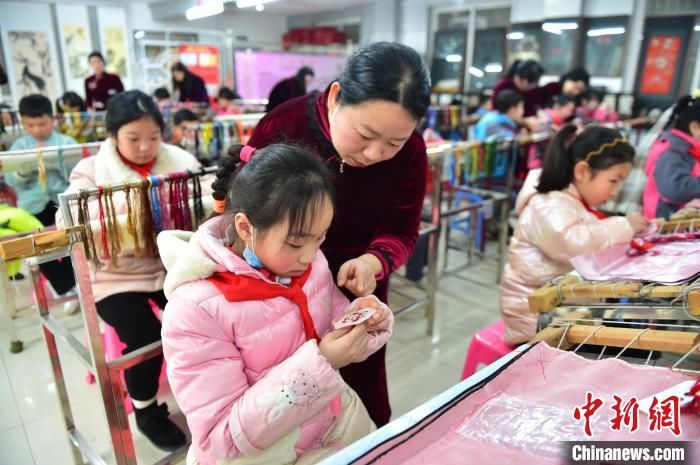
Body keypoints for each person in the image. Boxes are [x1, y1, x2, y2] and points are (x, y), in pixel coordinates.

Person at [159, 144, 394, 465]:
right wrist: (323, 362)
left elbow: (332, 320)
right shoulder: (195, 310)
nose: (310, 254)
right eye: (296, 242)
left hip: (334, 427)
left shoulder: (308, 264)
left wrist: (364, 321)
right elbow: (220, 440)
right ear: (245, 228)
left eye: (320, 238)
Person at [244, 41, 430, 427]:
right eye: (365, 134)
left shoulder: (411, 153)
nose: (375, 153)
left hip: (356, 283)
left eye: (392, 143)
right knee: (287, 394)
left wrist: (372, 261)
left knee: (363, 390)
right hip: (278, 283)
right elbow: (246, 210)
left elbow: (401, 230)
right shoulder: (284, 125)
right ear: (335, 97)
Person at [57, 90, 203, 451]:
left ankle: (205, 395)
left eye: (153, 137)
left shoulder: (181, 161)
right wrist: (130, 216)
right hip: (114, 277)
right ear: (113, 136)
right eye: (133, 139)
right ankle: (145, 408)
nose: (144, 147)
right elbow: (66, 219)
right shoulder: (91, 171)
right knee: (144, 336)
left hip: (169, 266)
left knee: (204, 317)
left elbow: (206, 200)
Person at [500, 125, 648, 345]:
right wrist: (624, 225)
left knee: (636, 335)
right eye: (614, 181)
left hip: (560, 309)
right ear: (581, 171)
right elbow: (574, 243)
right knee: (636, 345)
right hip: (535, 321)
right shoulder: (547, 204)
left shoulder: (569, 200)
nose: (615, 192)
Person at [6, 94, 78, 300]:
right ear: (23, 123)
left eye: (42, 124)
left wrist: (53, 161)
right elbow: (11, 181)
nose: (37, 129)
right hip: (32, 206)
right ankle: (63, 287)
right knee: (38, 250)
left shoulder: (65, 142)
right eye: (31, 125)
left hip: (61, 202)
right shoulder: (19, 146)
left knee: (70, 243)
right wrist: (25, 167)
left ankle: (74, 283)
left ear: (53, 119)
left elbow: (76, 173)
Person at [643, 96, 700, 219]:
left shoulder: (689, 149)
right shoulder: (672, 151)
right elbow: (674, 189)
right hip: (666, 228)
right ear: (695, 127)